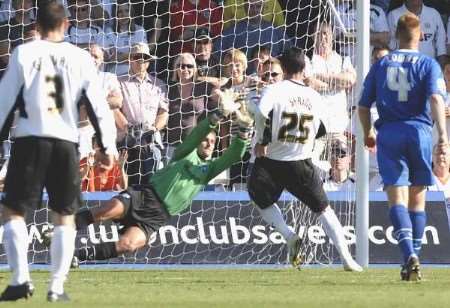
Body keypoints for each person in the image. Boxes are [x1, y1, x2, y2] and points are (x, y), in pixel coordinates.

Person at [46, 92, 253, 264]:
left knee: (129, 244)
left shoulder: (209, 169)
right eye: (206, 141)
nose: (208, 144)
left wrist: (243, 131)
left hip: (158, 216)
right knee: (105, 211)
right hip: (145, 195)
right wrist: (217, 116)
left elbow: (234, 156)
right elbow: (198, 133)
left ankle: (74, 257)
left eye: (212, 142)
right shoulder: (184, 153)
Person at [0, 1, 116, 302]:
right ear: (67, 24)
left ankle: (20, 279)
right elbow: (97, 106)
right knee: (64, 215)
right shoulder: (79, 58)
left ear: (36, 25)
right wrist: (108, 147)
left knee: (13, 211)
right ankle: (56, 286)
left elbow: (4, 104)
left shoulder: (23, 53)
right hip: (65, 144)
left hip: (29, 142)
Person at [248, 47, 362, 272]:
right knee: (324, 209)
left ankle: (288, 235)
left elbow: (261, 113)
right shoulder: (314, 96)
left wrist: (261, 139)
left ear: (283, 67)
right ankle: (347, 258)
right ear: (304, 68)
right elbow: (322, 129)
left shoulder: (274, 90)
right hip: (301, 161)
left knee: (258, 197)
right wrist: (312, 150)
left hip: (271, 159)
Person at [358, 13, 448, 281]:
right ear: (420, 35)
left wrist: (368, 133)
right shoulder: (428, 63)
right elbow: (435, 98)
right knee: (417, 199)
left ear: (396, 35)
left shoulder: (382, 63)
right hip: (419, 132)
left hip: (390, 133)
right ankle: (414, 256)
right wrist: (442, 135)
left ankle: (408, 255)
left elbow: (363, 106)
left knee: (396, 197)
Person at [387, 0, 447, 65]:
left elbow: (441, 48)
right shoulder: (393, 15)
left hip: (429, 67)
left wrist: (441, 69)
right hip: (404, 67)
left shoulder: (434, 14)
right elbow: (391, 47)